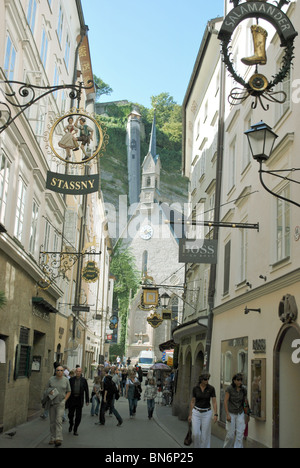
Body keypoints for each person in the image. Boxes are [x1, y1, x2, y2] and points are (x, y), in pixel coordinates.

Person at [188, 373, 218, 449]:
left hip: (207, 413)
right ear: (201, 379)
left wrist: (215, 414)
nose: (207, 381)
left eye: (208, 379)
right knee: (195, 434)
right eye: (205, 379)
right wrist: (190, 414)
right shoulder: (195, 388)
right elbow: (192, 401)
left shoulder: (211, 388)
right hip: (196, 412)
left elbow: (214, 401)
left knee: (205, 435)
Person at [45, 365, 71, 447]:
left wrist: (64, 400)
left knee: (58, 420)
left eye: (61, 370)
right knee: (52, 421)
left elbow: (69, 391)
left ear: (63, 371)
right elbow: (46, 390)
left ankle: (58, 438)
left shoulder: (66, 380)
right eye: (58, 370)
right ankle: (52, 438)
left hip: (61, 403)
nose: (60, 372)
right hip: (52, 403)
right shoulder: (51, 379)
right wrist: (49, 393)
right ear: (55, 371)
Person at [223, 373, 250, 449]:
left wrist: (247, 414)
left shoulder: (243, 389)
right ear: (234, 380)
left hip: (240, 413)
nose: (239, 382)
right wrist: (227, 414)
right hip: (231, 412)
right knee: (230, 435)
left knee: (240, 434)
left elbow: (245, 402)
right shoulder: (229, 389)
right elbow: (225, 401)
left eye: (241, 380)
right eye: (238, 380)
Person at [67, 367, 89, 436]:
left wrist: (87, 400)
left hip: (79, 400)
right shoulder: (71, 380)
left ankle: (75, 429)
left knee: (78, 416)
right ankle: (71, 423)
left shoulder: (83, 380)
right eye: (77, 371)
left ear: (81, 372)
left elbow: (86, 390)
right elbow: (68, 390)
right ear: (75, 372)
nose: (78, 373)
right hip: (72, 399)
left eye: (79, 371)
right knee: (70, 414)